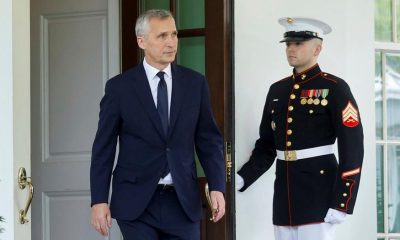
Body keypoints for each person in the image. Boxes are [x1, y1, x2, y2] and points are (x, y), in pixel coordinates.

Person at [90, 9, 226, 240]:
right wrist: (99, 200)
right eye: (162, 36)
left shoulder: (195, 84)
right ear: (141, 41)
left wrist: (217, 186)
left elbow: (208, 140)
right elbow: (104, 147)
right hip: (136, 203)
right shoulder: (120, 88)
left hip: (182, 201)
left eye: (173, 35)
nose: (171, 42)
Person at [236, 17, 364, 240]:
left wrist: (343, 200)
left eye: (298, 43)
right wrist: (243, 177)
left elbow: (352, 147)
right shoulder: (277, 91)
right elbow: (267, 145)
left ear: (317, 48)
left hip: (319, 193)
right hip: (284, 194)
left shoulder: (335, 88)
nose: (291, 48)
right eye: (288, 44)